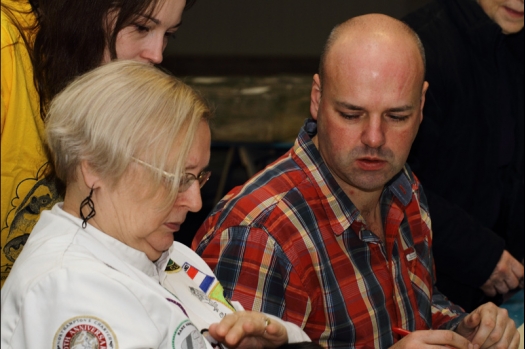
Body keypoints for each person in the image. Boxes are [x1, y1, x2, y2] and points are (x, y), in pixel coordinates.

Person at [193, 14, 520, 349]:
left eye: (397, 117)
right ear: (317, 99)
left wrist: (459, 331)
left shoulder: (403, 187)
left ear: (421, 105)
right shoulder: (259, 235)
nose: (375, 139)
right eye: (351, 114)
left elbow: (410, 309)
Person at [0, 60, 317, 349]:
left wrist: (279, 340)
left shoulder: (171, 254)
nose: (194, 203)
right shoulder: (67, 286)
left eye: (197, 177)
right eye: (176, 178)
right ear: (94, 166)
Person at [1, 0, 191, 287]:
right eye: (140, 27)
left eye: (169, 34)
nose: (156, 54)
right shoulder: (7, 49)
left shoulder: (105, 86)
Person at [402, 0, 524, 311]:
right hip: (425, 288)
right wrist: (478, 255)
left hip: (504, 291)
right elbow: (392, 179)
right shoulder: (418, 45)